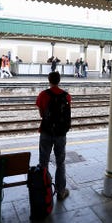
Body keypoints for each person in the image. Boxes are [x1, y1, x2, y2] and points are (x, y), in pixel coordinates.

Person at [36, 71, 71, 200]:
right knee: (60, 162)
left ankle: (45, 191)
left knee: (43, 163)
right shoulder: (67, 96)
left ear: (49, 80)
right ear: (59, 80)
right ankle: (61, 191)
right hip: (61, 134)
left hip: (46, 132)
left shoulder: (43, 95)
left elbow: (42, 115)